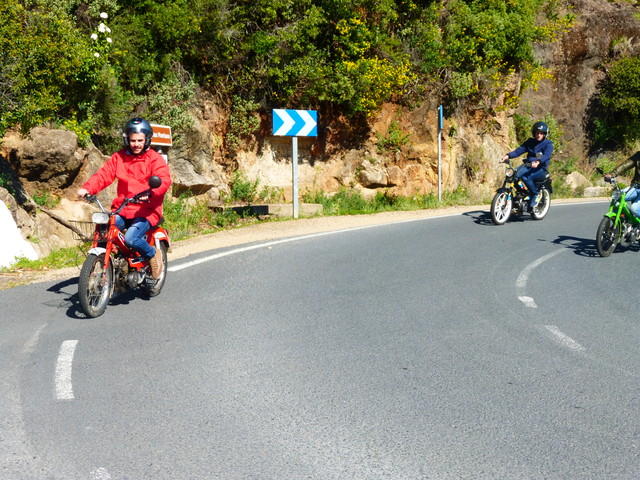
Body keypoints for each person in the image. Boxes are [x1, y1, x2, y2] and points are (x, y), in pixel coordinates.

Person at [77, 118, 171, 279]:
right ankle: (105, 264)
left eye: (140, 140)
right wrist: (87, 188)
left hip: (147, 210)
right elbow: (103, 175)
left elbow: (164, 179)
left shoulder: (154, 159)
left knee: (131, 238)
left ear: (147, 139)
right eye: (133, 140)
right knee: (104, 231)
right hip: (123, 208)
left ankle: (152, 254)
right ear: (127, 139)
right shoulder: (119, 157)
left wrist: (152, 193)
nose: (136, 144)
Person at [501, 121, 553, 207]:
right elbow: (519, 151)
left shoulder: (548, 144)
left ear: (545, 134)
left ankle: (535, 194)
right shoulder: (530, 142)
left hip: (540, 168)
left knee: (526, 177)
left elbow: (547, 155)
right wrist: (508, 156)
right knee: (514, 175)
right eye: (537, 133)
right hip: (528, 165)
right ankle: (523, 192)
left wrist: (538, 162)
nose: (539, 135)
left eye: (541, 133)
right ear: (534, 133)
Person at [604, 151, 640, 217]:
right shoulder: (638, 155)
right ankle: (623, 220)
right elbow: (625, 166)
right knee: (617, 197)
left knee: (635, 209)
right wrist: (612, 174)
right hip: (635, 187)